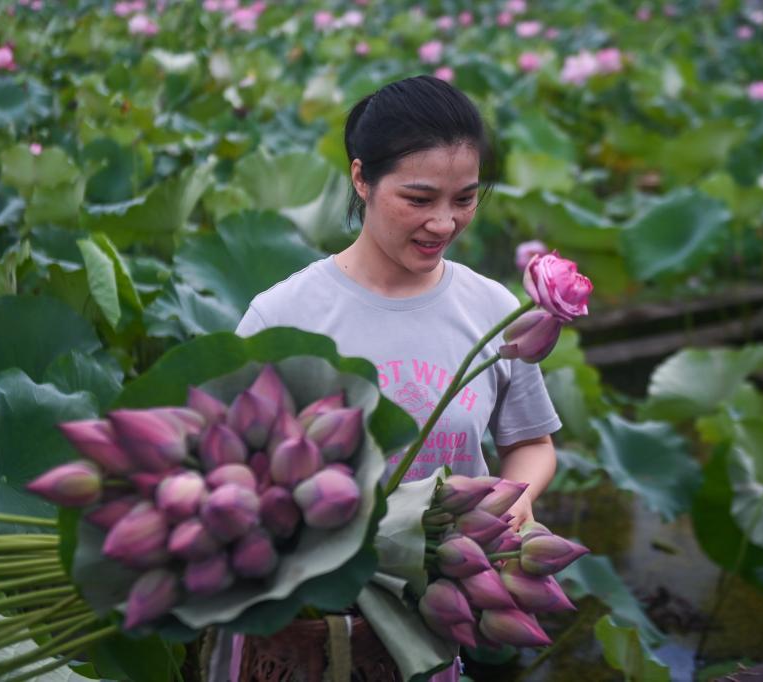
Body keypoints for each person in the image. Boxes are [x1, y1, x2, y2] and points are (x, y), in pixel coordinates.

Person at [226, 75, 561, 680]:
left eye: (464, 199)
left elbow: (532, 443)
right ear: (361, 178)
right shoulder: (283, 317)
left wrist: (516, 505)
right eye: (419, 198)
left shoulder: (492, 309)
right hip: (303, 620)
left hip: (436, 613)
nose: (443, 222)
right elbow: (229, 473)